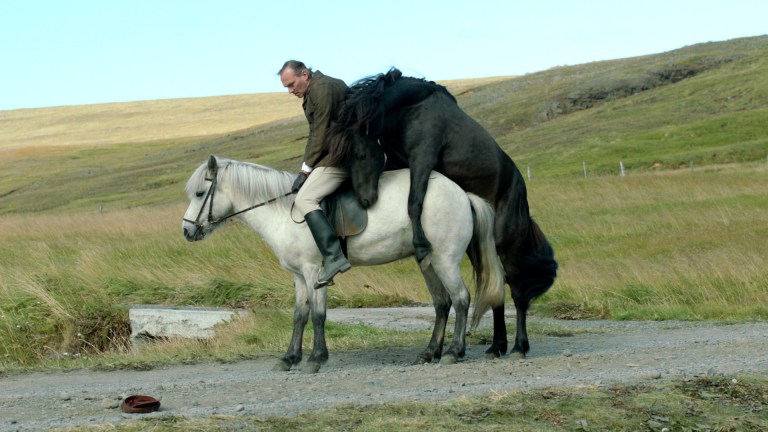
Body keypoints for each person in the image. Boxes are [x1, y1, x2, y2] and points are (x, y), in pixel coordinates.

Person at [278, 60, 351, 289]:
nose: (291, 91)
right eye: (287, 88)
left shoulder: (323, 89)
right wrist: (305, 169)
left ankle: (334, 256)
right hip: (336, 153)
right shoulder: (316, 89)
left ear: (305, 74)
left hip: (346, 156)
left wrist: (306, 170)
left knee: (305, 199)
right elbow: (314, 136)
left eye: (291, 84)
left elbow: (320, 133)